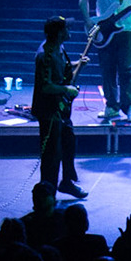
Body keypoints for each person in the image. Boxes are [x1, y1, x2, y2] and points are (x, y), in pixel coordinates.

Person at [32, 17, 88, 198]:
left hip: (61, 109)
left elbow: (63, 69)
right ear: (58, 33)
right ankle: (48, 196)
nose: (69, 31)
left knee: (68, 144)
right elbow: (46, 86)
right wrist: (66, 89)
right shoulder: (45, 55)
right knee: (51, 155)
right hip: (49, 112)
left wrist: (78, 64)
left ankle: (66, 182)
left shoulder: (60, 48)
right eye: (66, 29)